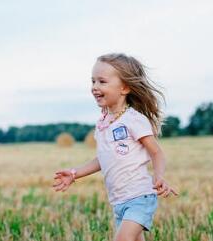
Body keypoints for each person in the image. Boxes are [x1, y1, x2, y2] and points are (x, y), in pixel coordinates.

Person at [52, 53, 178, 241]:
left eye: (102, 81)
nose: (95, 87)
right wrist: (74, 173)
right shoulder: (103, 123)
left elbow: (156, 152)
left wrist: (159, 176)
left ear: (124, 87)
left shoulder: (134, 120)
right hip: (119, 201)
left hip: (139, 197)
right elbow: (102, 158)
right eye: (93, 81)